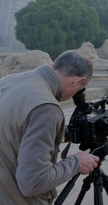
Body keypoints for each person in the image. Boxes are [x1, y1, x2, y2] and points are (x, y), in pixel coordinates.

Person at [0, 50, 100, 204]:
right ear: (77, 82)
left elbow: (15, 130)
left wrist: (64, 132)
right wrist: (77, 163)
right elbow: (33, 182)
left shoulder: (9, 81)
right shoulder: (46, 108)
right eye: (79, 90)